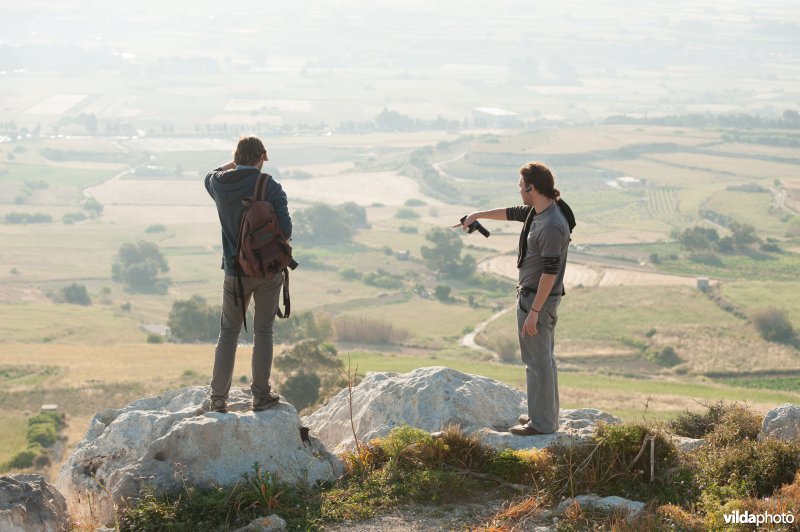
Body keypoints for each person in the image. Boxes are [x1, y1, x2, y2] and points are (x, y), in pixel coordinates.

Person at [456, 162, 573, 435]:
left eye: (521, 186)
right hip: (533, 297)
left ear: (532, 188)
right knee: (541, 358)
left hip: (538, 300)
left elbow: (549, 273)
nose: (519, 190)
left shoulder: (552, 225)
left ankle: (542, 424)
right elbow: (513, 212)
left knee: (538, 361)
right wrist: (476, 214)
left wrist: (534, 311)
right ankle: (543, 416)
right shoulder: (540, 211)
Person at [204, 136, 292, 413]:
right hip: (267, 270)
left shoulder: (219, 184)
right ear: (261, 158)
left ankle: (218, 400)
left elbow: (210, 174)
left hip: (234, 272)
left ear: (236, 157)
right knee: (263, 331)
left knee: (228, 333)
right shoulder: (270, 186)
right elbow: (286, 230)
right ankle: (261, 395)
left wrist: (235, 163)